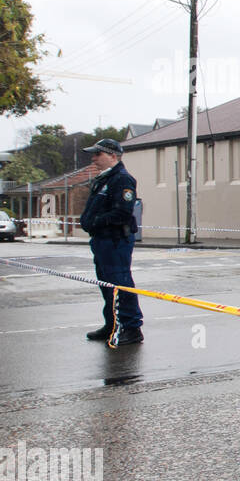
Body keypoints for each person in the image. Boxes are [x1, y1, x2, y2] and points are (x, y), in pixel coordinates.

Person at [79, 138, 144, 346]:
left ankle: (132, 327)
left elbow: (122, 212)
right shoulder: (103, 179)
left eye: (98, 154)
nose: (94, 158)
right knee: (106, 284)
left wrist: (97, 222)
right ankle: (112, 324)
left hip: (115, 240)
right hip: (102, 240)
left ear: (112, 156)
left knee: (120, 283)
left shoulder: (122, 179)